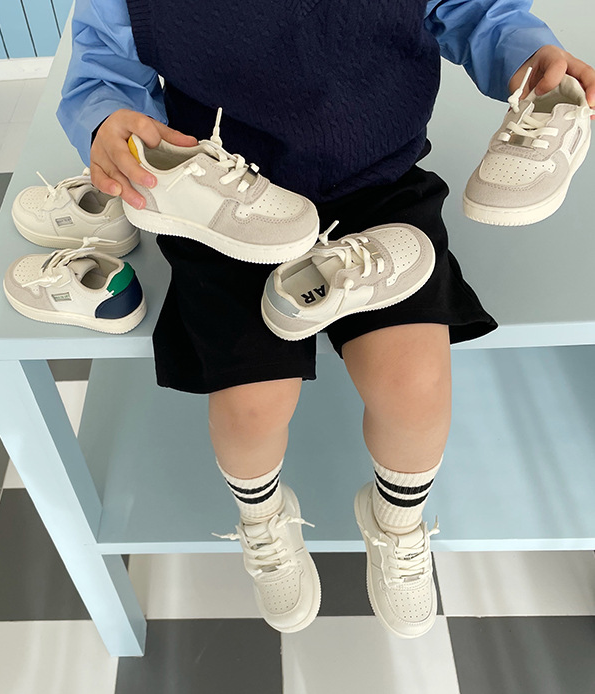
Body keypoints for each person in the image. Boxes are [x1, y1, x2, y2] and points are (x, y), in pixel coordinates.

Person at [57, 0, 595, 637]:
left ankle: (397, 522)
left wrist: (528, 52)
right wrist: (106, 121)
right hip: (223, 195)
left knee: (415, 386)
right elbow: (102, 66)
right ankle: (262, 520)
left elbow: (474, 11)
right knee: (250, 407)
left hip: (377, 181)